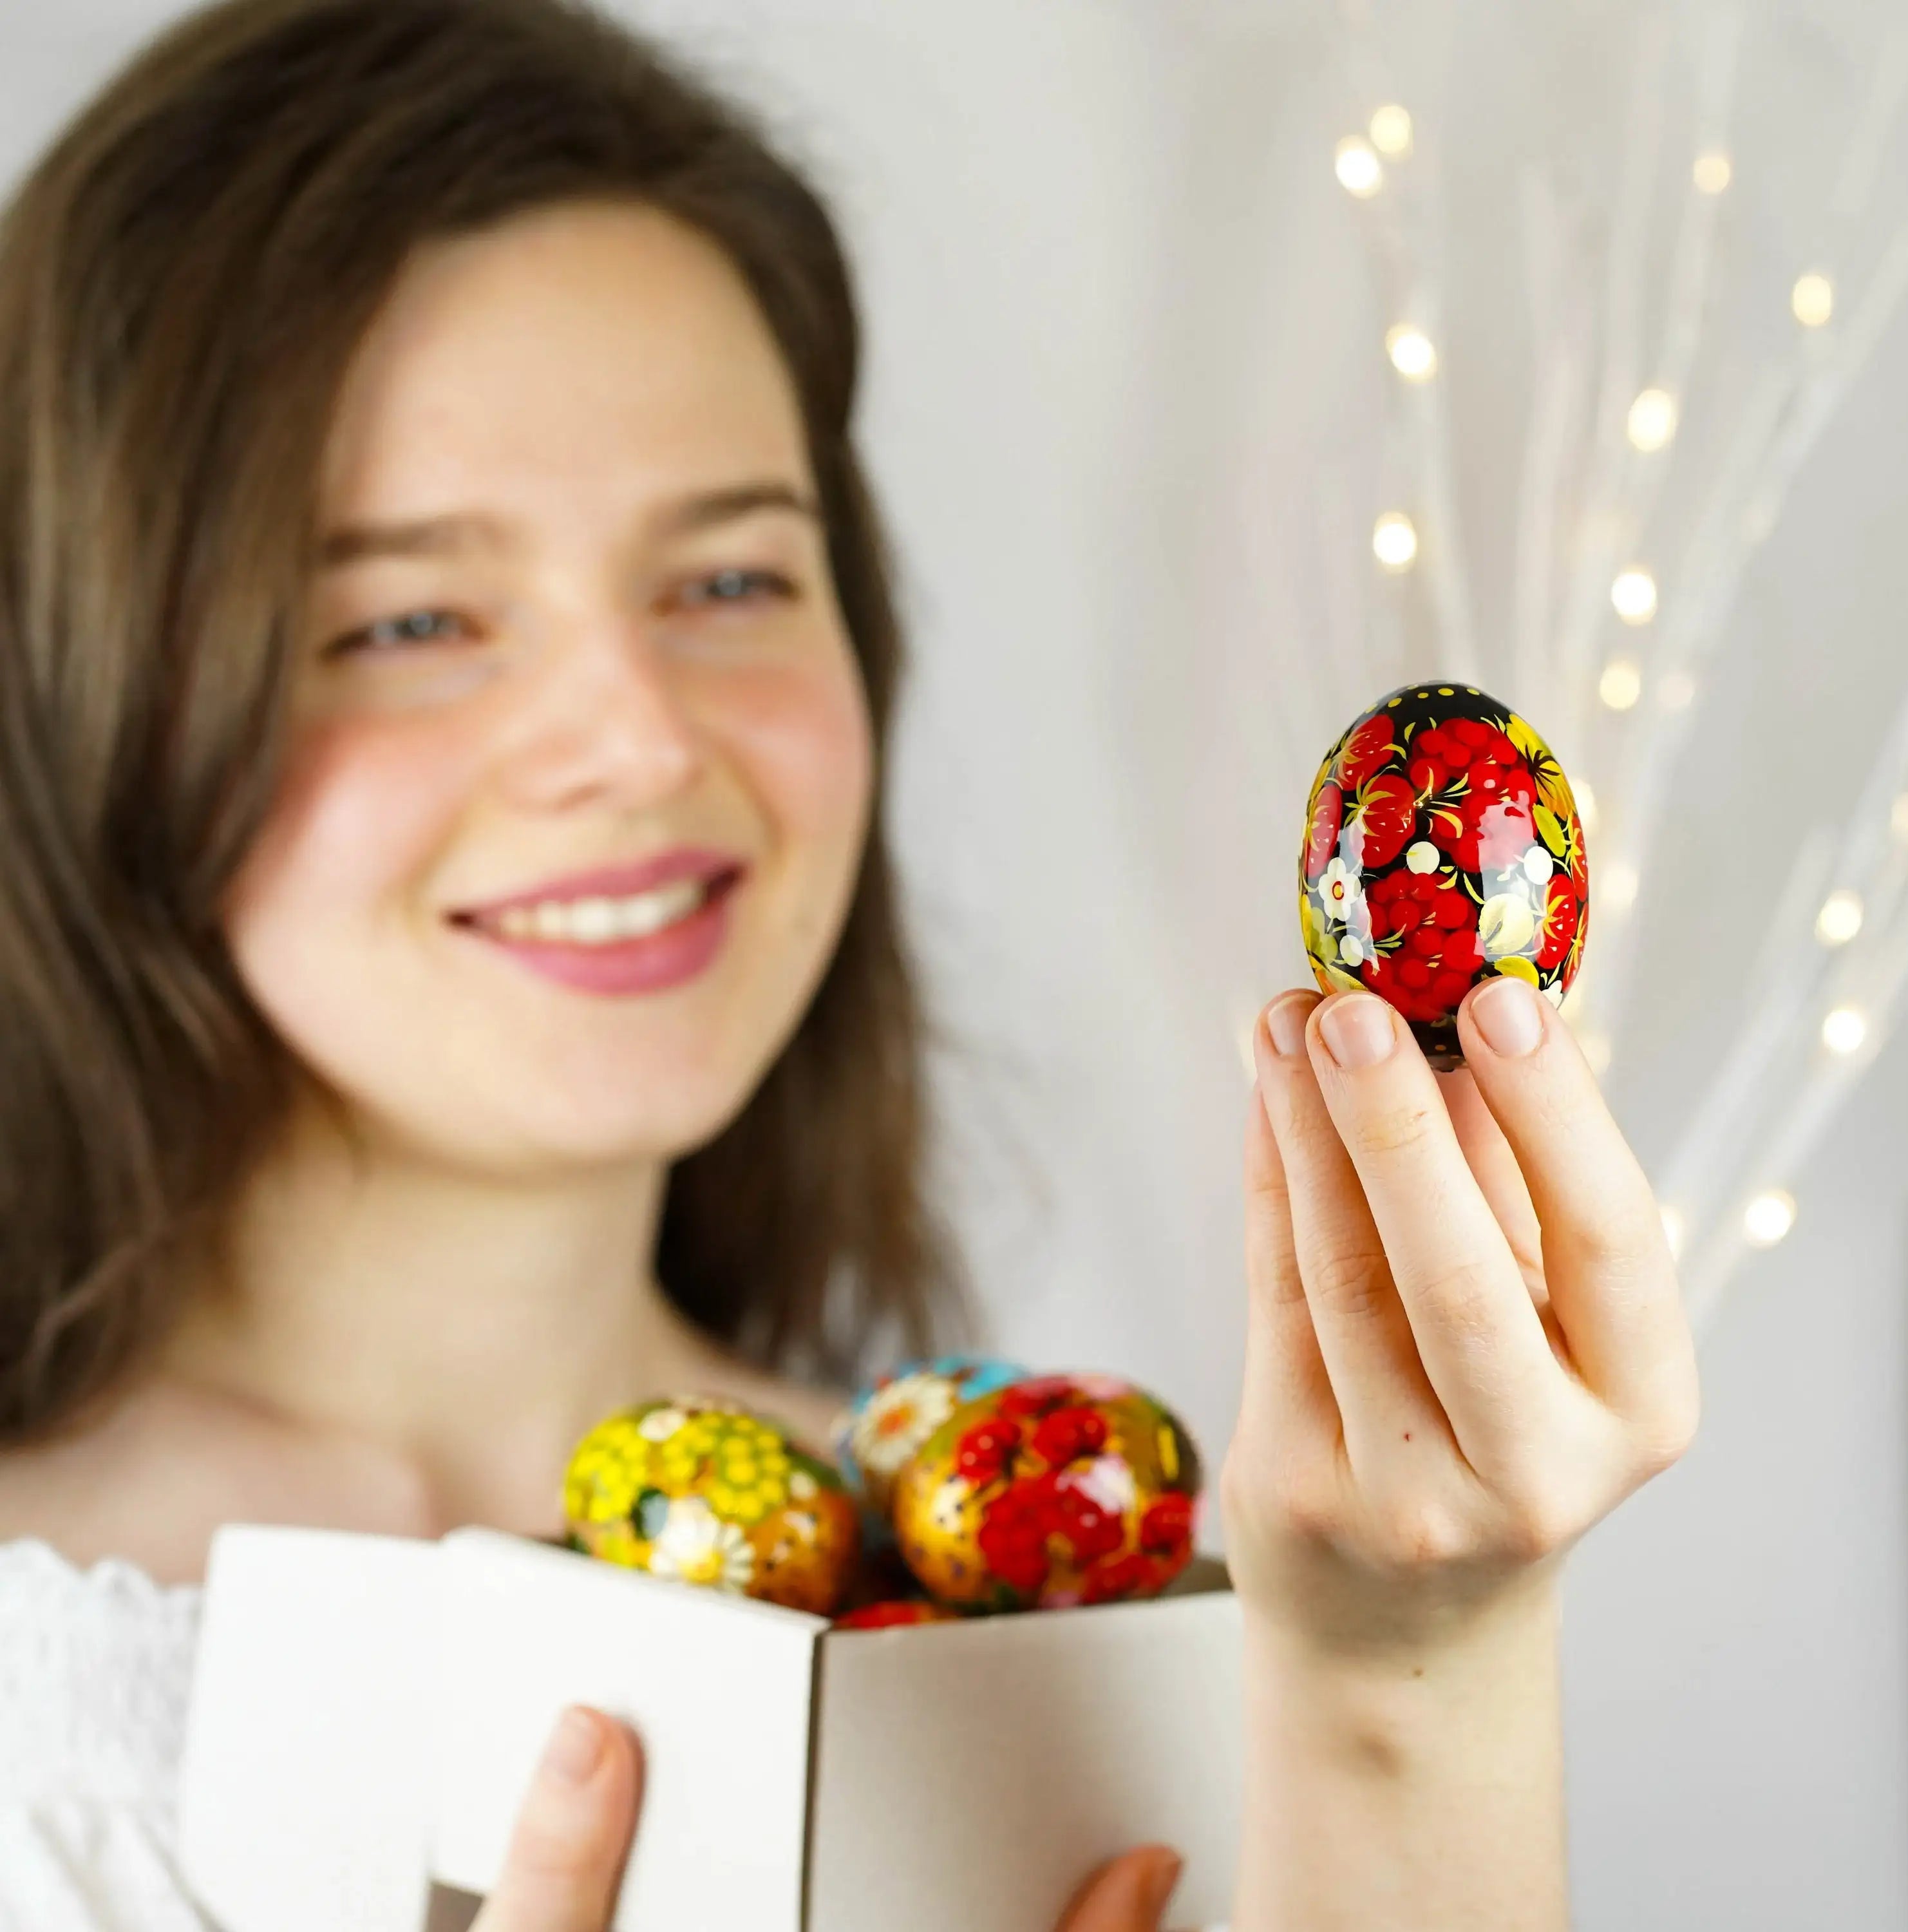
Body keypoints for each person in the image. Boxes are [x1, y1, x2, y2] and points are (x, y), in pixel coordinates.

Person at [0, 1, 1702, 1927]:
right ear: (95, 692)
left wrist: (1421, 1662)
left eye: (730, 579)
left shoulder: (1047, 1595)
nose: (641, 741)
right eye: (408, 620)